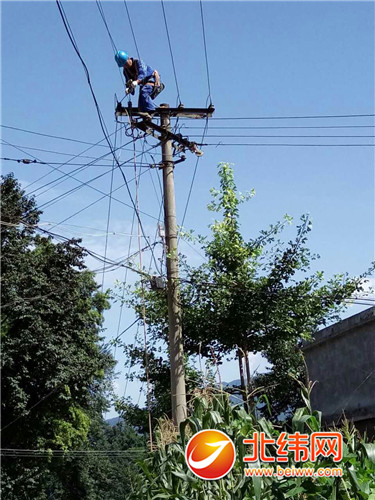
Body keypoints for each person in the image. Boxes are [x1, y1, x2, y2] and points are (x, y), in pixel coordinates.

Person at [115, 50, 163, 116]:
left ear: (128, 59)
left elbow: (142, 74)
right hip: (143, 85)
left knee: (144, 92)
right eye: (123, 65)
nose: (125, 66)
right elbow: (129, 84)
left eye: (125, 64)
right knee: (141, 105)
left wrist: (136, 82)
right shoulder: (126, 71)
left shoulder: (138, 62)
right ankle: (146, 117)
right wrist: (129, 88)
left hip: (152, 81)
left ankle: (151, 112)